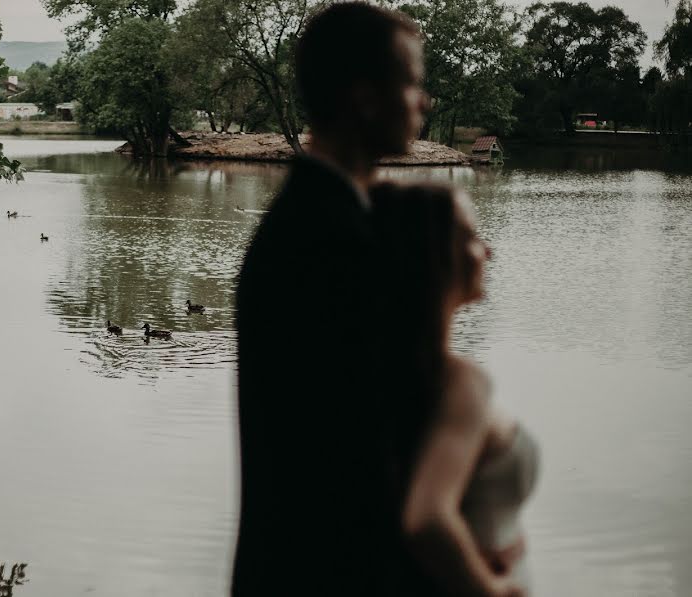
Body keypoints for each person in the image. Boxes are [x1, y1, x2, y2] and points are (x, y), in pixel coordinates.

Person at [233, 3, 425, 595]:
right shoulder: (330, 242)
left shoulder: (316, 219)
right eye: (414, 82)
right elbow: (361, 455)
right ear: (367, 100)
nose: (425, 101)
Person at [370, 183, 540, 597]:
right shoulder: (460, 383)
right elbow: (427, 519)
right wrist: (488, 590)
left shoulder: (383, 372)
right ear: (434, 255)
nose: (488, 250)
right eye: (471, 237)